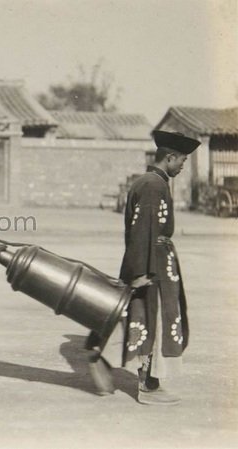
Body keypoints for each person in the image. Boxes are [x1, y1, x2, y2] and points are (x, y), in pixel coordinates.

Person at [87, 130, 200, 405]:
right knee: (151, 320)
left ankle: (105, 356)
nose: (183, 166)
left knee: (141, 318)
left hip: (154, 260)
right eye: (182, 161)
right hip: (152, 264)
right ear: (170, 157)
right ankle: (147, 384)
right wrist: (141, 273)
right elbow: (142, 231)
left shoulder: (150, 182)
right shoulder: (152, 185)